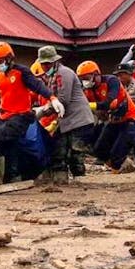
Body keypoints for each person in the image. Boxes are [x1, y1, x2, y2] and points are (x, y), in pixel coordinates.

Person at [0, 42, 64, 184]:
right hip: (4, 116)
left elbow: (38, 85)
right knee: (10, 146)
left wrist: (52, 98)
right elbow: (1, 95)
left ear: (9, 58)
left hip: (20, 117)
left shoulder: (21, 72)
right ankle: (13, 177)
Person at [33, 45, 95, 183]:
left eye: (47, 64)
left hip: (79, 120)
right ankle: (60, 180)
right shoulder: (51, 77)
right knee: (58, 150)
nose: (45, 67)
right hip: (66, 121)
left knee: (75, 152)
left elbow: (63, 101)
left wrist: (41, 112)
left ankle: (80, 181)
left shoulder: (64, 74)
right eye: (43, 64)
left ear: (55, 61)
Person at [76, 61, 135, 174]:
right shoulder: (87, 91)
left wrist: (89, 105)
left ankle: (116, 171)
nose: (85, 81)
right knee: (99, 150)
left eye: (87, 77)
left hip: (131, 119)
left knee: (119, 150)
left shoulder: (111, 81)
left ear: (96, 74)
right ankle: (124, 167)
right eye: (82, 79)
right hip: (113, 121)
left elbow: (109, 101)